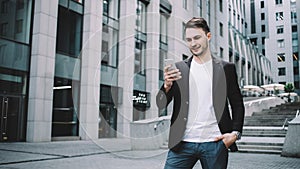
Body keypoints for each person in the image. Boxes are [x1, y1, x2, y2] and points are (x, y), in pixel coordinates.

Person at [156, 17, 245, 169]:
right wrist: (167, 86)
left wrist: (235, 134)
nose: (193, 43)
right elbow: (160, 103)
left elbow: (237, 104)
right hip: (181, 144)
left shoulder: (226, 68)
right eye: (189, 39)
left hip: (215, 143)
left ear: (208, 36)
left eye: (197, 37)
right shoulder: (179, 69)